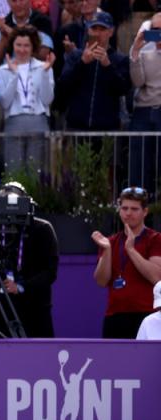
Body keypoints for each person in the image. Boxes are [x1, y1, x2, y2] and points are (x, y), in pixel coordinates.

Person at [92, 186, 161, 338]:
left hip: (146, 316)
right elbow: (102, 281)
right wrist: (107, 251)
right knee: (113, 362)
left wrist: (130, 250)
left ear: (145, 212)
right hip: (115, 316)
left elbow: (157, 277)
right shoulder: (110, 241)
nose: (128, 213)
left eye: (134, 209)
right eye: (124, 208)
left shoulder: (155, 239)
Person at [0, 181, 60, 337]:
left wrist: (21, 287)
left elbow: (50, 272)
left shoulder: (42, 229)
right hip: (3, 311)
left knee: (41, 360)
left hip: (36, 311)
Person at [0, 26, 55, 173]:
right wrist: (14, 75)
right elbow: (5, 102)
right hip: (14, 122)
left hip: (38, 121)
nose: (22, 49)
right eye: (18, 45)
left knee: (37, 172)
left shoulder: (44, 67)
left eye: (26, 45)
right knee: (14, 172)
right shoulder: (2, 71)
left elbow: (47, 100)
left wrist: (46, 73)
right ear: (12, 46)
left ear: (33, 46)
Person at [55, 11, 130, 132]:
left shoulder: (120, 59)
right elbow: (63, 87)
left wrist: (107, 66)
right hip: (76, 127)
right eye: (94, 28)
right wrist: (82, 63)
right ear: (88, 30)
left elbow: (123, 89)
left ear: (111, 32)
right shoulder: (76, 56)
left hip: (107, 129)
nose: (98, 33)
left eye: (102, 29)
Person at [128, 12, 161, 196]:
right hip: (144, 111)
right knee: (139, 168)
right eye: (154, 30)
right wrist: (135, 52)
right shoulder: (142, 49)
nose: (158, 34)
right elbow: (138, 82)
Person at [0, 0, 55, 68]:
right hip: (8, 75)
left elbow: (43, 56)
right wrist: (4, 39)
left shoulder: (42, 22)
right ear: (8, 2)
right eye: (14, 1)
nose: (18, 4)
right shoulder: (2, 25)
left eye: (22, 0)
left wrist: (13, 34)